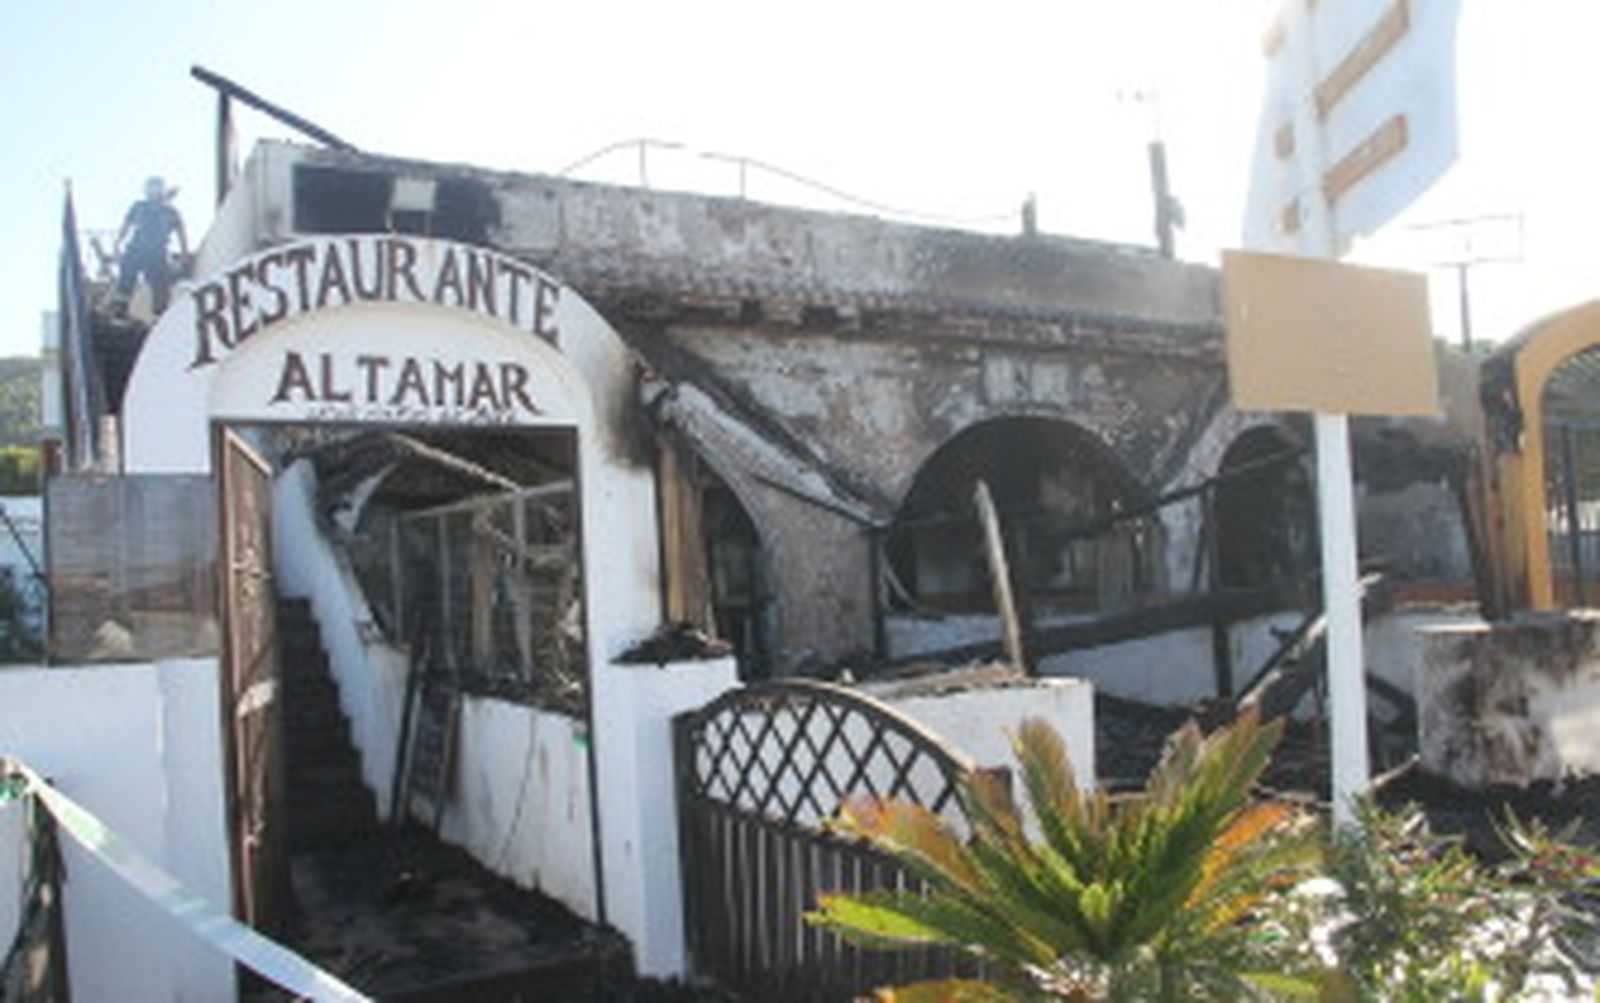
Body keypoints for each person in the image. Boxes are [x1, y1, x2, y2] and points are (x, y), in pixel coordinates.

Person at [114, 176, 188, 313]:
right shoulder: (139, 206)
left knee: (160, 283)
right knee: (127, 275)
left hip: (158, 251)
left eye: (157, 188)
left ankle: (159, 313)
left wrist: (184, 256)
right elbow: (126, 226)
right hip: (137, 247)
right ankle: (120, 308)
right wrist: (117, 245)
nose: (155, 191)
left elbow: (181, 233)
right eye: (152, 188)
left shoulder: (170, 211)